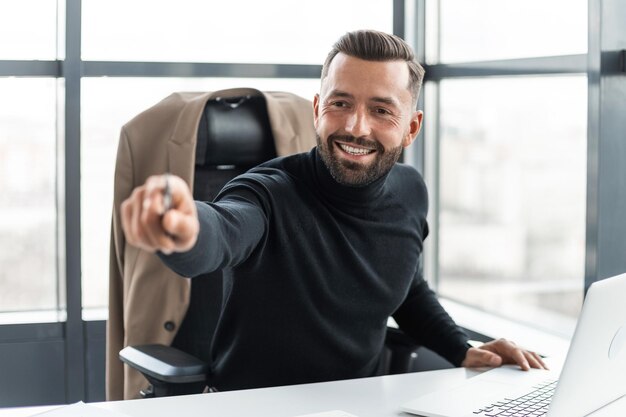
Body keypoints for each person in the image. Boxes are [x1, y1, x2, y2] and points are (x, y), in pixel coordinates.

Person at [120, 30, 546, 391]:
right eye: (340, 103)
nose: (355, 126)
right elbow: (222, 232)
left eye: (380, 110)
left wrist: (464, 349)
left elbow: (408, 290)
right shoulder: (267, 193)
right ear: (317, 109)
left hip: (364, 402)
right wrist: (184, 228)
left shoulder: (410, 193)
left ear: (411, 128)